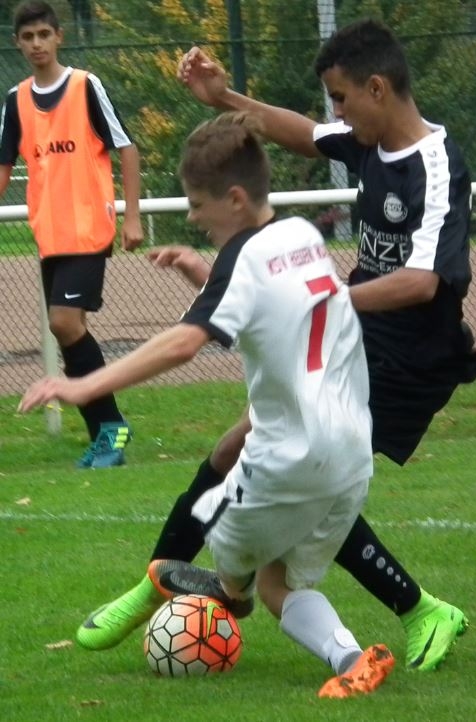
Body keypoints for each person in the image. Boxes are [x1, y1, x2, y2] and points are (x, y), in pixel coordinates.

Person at [64, 19, 476, 672]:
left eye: (341, 98)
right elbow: (305, 134)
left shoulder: (434, 164)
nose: (336, 113)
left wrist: (314, 299)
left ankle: (417, 608)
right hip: (356, 338)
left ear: (377, 88)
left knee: (308, 474)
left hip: (412, 358)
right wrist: (224, 99)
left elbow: (421, 281)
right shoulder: (370, 142)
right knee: (241, 449)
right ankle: (158, 580)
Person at [19, 111, 396, 699]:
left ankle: (226, 588)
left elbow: (183, 343)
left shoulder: (242, 260)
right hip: (351, 449)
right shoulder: (302, 236)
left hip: (288, 454)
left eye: (198, 204)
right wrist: (206, 275)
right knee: (279, 584)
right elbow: (271, 308)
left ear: (236, 199)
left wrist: (85, 386)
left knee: (219, 539)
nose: (192, 216)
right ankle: (352, 659)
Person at [0, 1, 144, 467]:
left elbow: (126, 148)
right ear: (17, 43)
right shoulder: (15, 100)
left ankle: (112, 427)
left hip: (88, 228)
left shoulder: (85, 86)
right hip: (50, 235)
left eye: (44, 34)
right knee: (68, 332)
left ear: (59, 36)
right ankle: (106, 438)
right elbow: (3, 166)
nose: (37, 44)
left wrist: (133, 216)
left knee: (63, 323)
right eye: (28, 37)